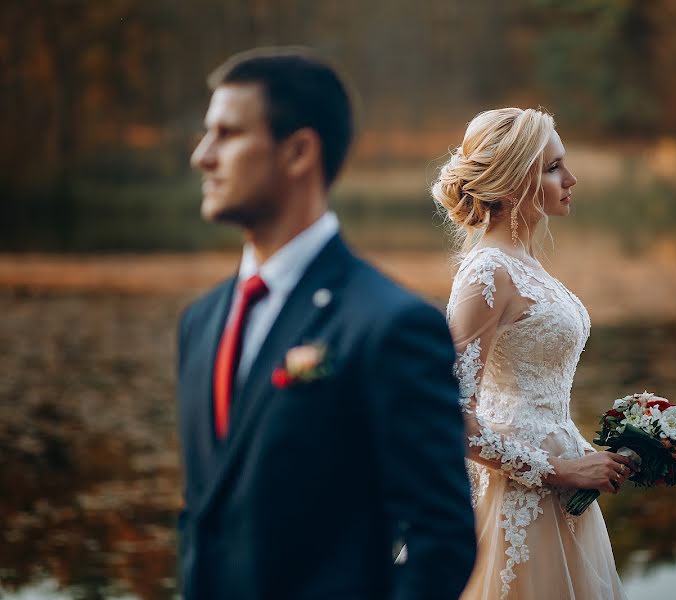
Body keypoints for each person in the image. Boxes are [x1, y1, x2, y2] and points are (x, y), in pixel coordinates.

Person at [176, 47, 476, 600]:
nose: (202, 156)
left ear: (298, 152)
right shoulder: (199, 323)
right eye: (206, 133)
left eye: (228, 134)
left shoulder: (391, 325)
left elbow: (441, 539)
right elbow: (205, 519)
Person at [432, 108, 636, 600]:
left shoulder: (527, 265)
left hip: (562, 480)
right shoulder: (486, 274)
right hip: (519, 494)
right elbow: (452, 418)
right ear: (511, 181)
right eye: (552, 167)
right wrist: (560, 470)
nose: (570, 179)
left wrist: (587, 454)